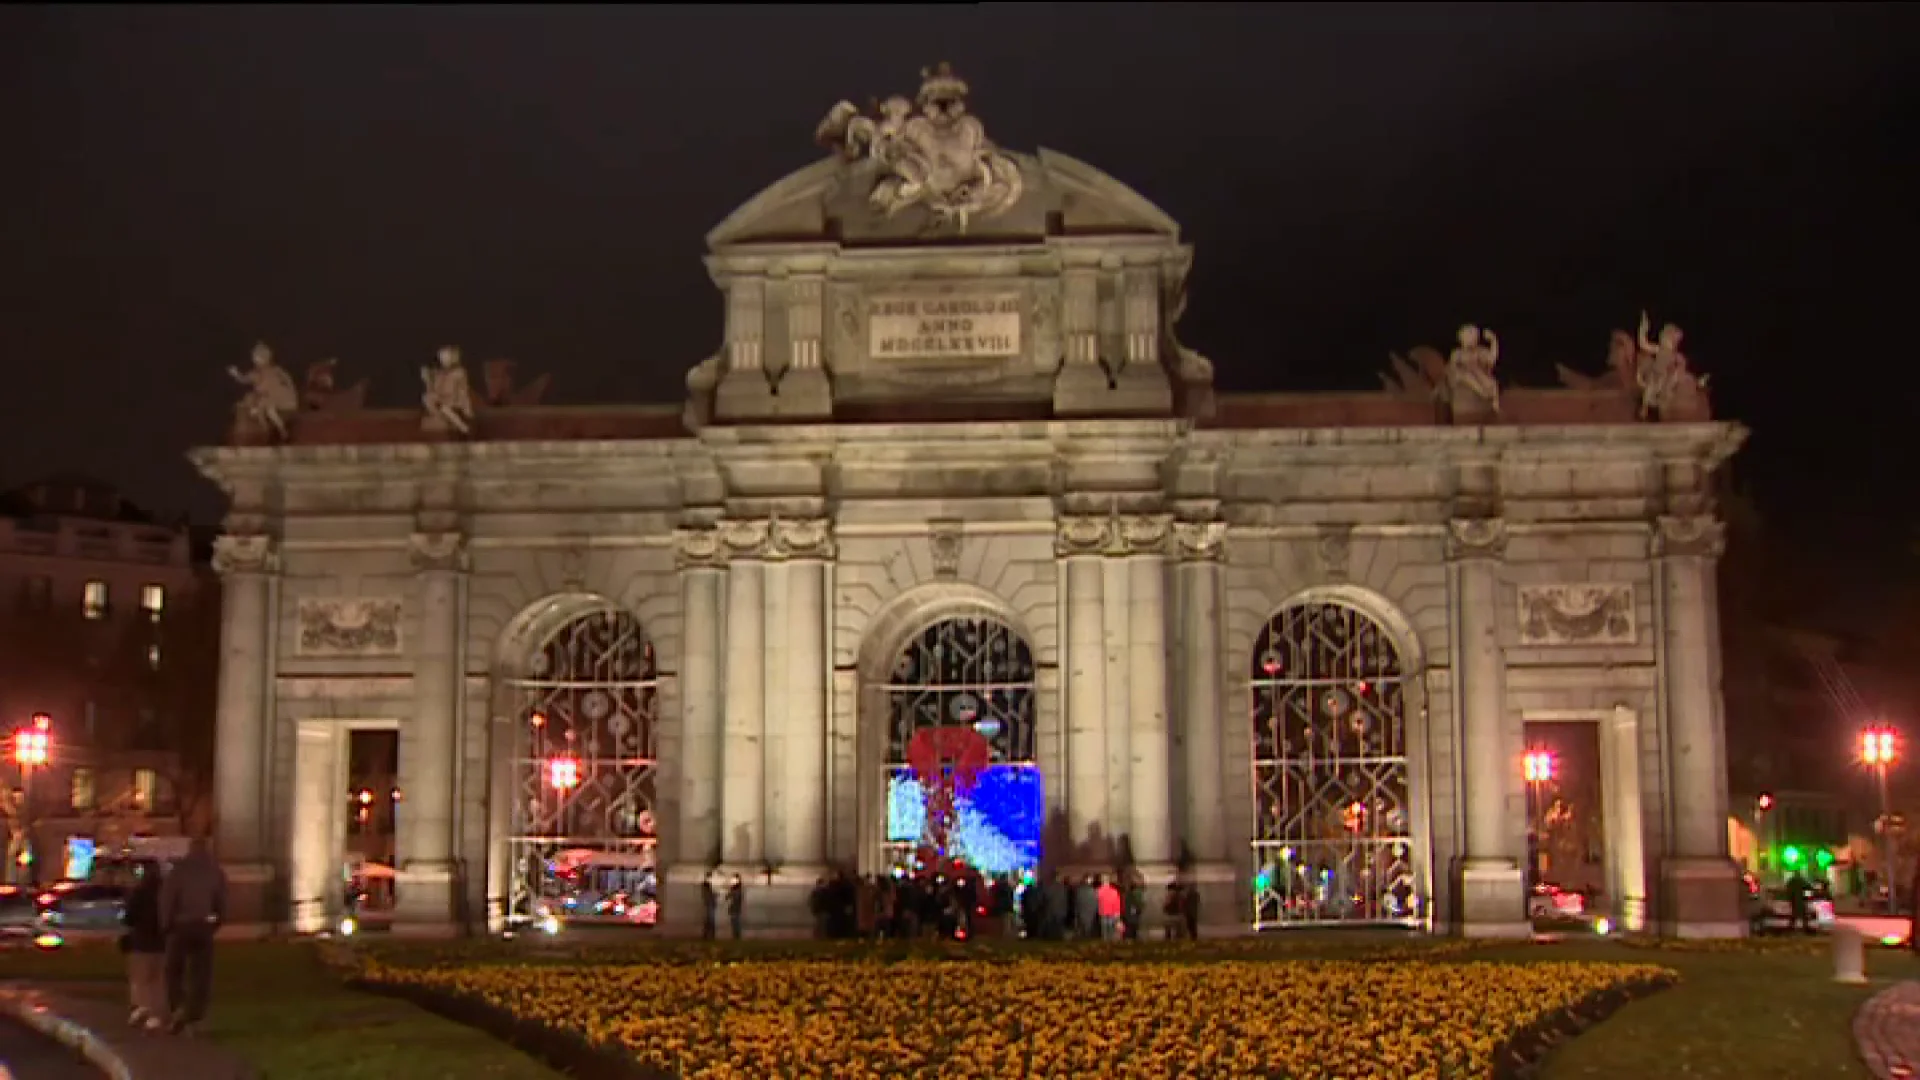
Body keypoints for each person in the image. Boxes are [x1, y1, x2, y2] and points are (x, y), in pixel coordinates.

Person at [160, 837, 228, 1034]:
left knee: (174, 971)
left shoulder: (178, 872)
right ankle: (196, 1014)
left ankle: (178, 1008)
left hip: (180, 926)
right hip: (203, 926)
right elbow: (222, 902)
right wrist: (216, 923)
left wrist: (166, 925)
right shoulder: (215, 872)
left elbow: (168, 900)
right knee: (201, 973)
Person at [121, 861, 168, 1030]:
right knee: (158, 980)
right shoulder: (165, 893)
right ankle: (155, 1014)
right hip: (161, 942)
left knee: (140, 978)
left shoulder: (138, 892)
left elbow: (129, 917)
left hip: (141, 942)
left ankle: (142, 1008)